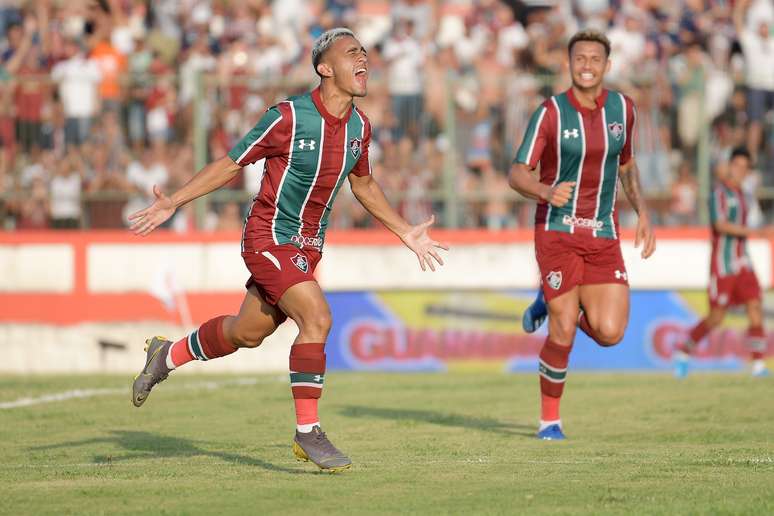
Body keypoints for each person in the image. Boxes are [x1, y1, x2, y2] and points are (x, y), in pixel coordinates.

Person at [128, 28, 447, 472]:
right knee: (318, 317)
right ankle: (307, 432)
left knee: (246, 333)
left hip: (307, 248)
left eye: (365, 53)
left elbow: (364, 183)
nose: (363, 59)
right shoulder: (288, 117)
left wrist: (405, 231)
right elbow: (231, 162)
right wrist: (174, 201)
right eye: (351, 52)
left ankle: (166, 355)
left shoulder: (360, 126)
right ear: (324, 67)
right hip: (269, 237)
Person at [510, 30, 656, 440]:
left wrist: (643, 212)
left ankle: (551, 300)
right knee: (563, 329)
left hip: (604, 234)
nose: (587, 65)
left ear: (607, 66)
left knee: (610, 332)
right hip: (557, 231)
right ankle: (549, 421)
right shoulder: (551, 113)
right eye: (579, 58)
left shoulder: (624, 110)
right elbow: (517, 172)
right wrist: (544, 191)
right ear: (569, 63)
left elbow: (626, 166)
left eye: (595, 59)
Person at [674, 148, 771, 378]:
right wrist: (754, 232)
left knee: (754, 305)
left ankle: (757, 365)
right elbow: (720, 225)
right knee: (716, 317)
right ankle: (684, 350)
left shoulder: (746, 195)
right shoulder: (719, 193)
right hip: (723, 263)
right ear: (730, 166)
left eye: (744, 167)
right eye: (736, 165)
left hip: (743, 261)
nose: (739, 170)